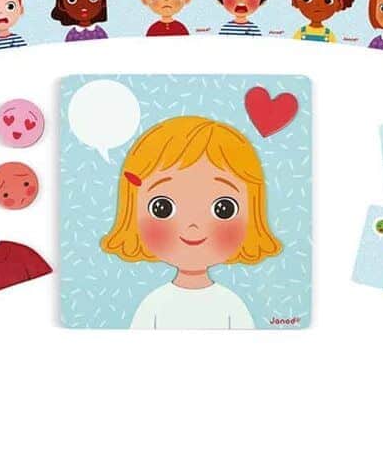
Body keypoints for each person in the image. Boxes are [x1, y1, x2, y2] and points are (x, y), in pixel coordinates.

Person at [101, 116, 282, 328]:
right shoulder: (153, 306)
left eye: (223, 208)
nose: (193, 226)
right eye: (162, 207)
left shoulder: (231, 306)